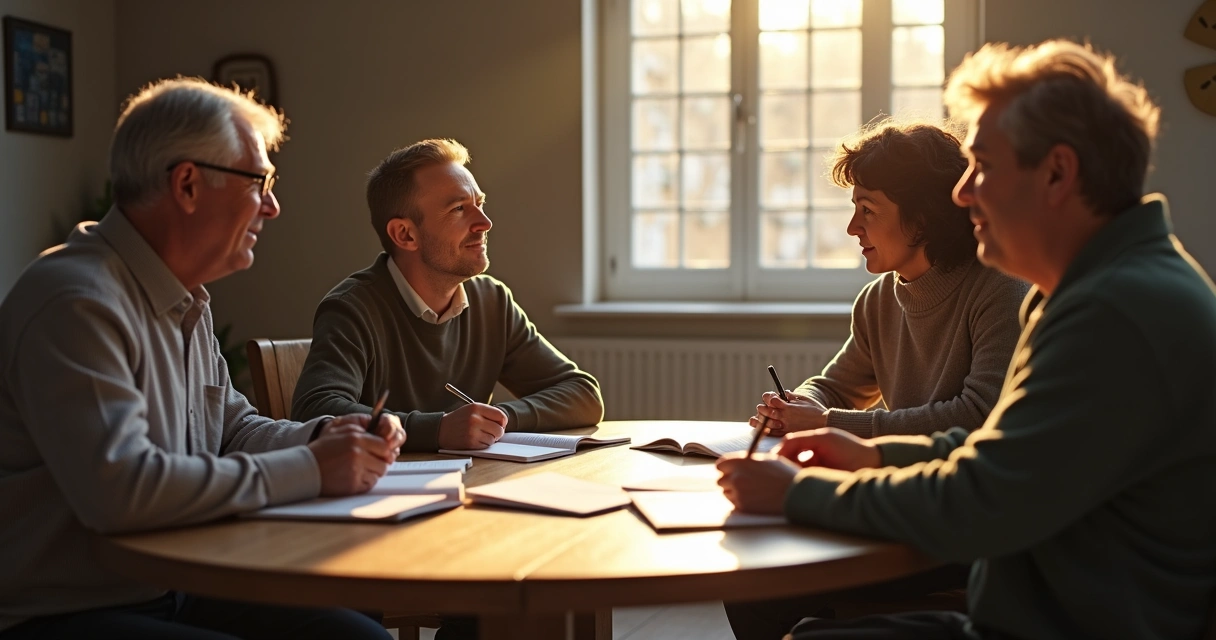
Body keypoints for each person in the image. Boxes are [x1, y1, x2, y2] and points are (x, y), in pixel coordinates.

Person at [718, 39, 1216, 640]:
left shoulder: (1114, 310)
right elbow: (1006, 457)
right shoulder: (1105, 287)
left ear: (1057, 173)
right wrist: (875, 456)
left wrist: (801, 494)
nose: (961, 193)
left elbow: (987, 499)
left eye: (983, 167)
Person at [0, 78, 405, 640]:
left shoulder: (184, 296)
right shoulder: (77, 301)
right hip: (67, 610)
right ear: (188, 184)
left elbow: (231, 430)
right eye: (260, 182)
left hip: (175, 583)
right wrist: (314, 468)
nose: (273, 206)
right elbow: (123, 491)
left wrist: (325, 436)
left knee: (359, 634)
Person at [291, 138, 604, 639]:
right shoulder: (353, 307)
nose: (485, 222)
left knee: (539, 575)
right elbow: (315, 410)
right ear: (405, 234)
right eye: (460, 209)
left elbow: (582, 392)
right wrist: (439, 429)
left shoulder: (491, 300)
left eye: (480, 204)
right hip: (375, 526)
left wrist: (500, 419)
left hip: (466, 517)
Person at [727, 121, 1028, 640]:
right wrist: (796, 403)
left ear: (924, 218)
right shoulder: (879, 299)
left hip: (958, 520)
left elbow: (978, 418)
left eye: (868, 210)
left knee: (771, 576)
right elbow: (836, 386)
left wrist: (826, 422)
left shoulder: (999, 290)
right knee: (751, 580)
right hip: (904, 500)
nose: (852, 228)